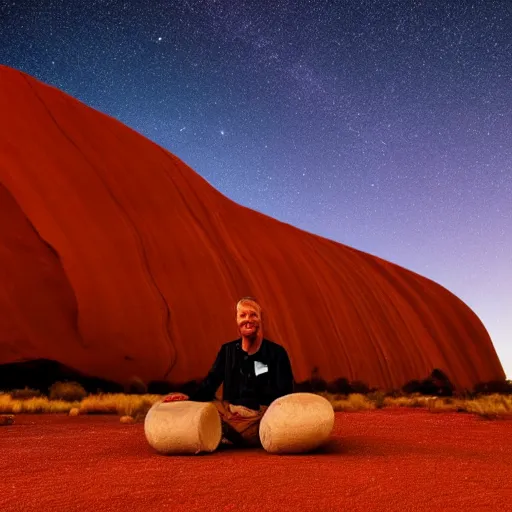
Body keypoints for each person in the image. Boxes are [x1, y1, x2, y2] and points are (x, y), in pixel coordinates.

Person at [163, 297, 294, 447]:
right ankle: (230, 433)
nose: (248, 320)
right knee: (203, 410)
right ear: (237, 320)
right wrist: (189, 399)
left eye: (253, 315)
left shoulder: (276, 352)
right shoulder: (228, 351)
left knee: (260, 420)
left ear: (260, 319)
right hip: (229, 411)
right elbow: (211, 383)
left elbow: (285, 392)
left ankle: (229, 433)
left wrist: (252, 404)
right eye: (243, 315)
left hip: (260, 414)